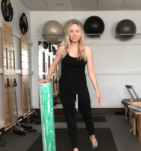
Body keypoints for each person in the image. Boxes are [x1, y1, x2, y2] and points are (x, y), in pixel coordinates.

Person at [38, 21, 102, 151]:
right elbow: (53, 64)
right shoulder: (62, 49)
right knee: (70, 118)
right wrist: (47, 78)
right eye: (72, 31)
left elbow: (91, 71)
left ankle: (92, 136)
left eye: (77, 31)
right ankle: (75, 147)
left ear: (80, 33)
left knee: (87, 114)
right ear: (68, 33)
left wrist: (97, 90)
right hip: (66, 88)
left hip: (81, 86)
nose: (74, 34)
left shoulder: (87, 49)